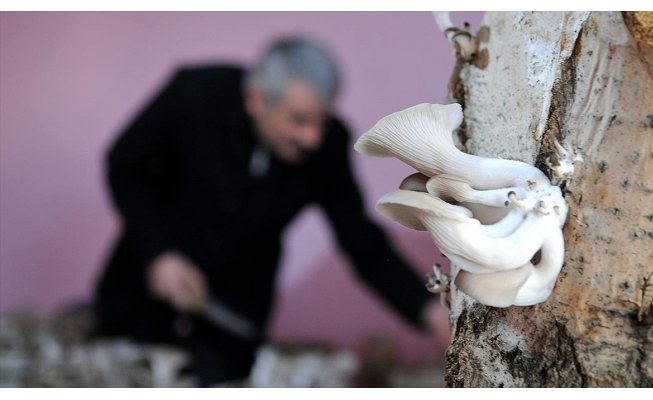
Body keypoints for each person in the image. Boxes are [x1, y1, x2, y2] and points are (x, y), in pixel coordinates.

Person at [94, 37, 450, 386]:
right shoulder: (194, 94)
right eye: (298, 120)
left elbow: (362, 243)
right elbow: (124, 165)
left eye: (320, 121)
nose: (312, 138)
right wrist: (159, 253)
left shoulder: (328, 147)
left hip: (235, 314)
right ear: (256, 100)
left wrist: (428, 309)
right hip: (140, 287)